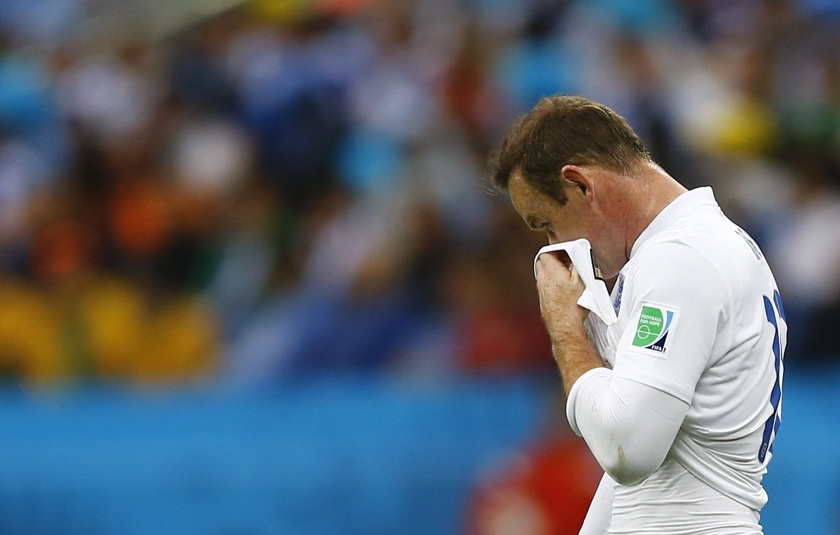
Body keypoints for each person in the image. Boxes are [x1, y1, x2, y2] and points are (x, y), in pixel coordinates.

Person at [488, 95, 787, 534]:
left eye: (545, 222)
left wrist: (566, 329)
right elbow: (637, 481)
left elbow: (629, 448)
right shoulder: (690, 250)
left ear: (581, 186)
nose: (550, 244)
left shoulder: (682, 258)